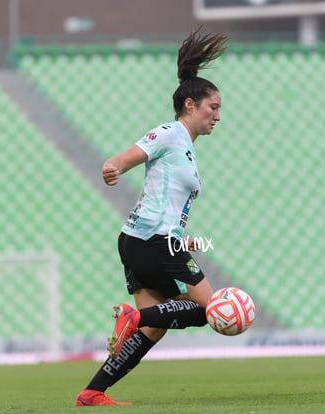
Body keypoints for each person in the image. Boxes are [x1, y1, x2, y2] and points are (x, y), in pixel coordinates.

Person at [75, 27, 228, 407]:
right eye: (214, 107)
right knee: (212, 311)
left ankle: (92, 392)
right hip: (152, 240)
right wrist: (114, 167)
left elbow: (166, 199)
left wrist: (181, 236)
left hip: (146, 239)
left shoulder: (185, 148)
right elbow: (127, 158)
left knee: (156, 325)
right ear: (190, 105)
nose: (218, 116)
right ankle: (131, 317)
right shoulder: (170, 133)